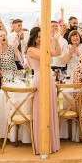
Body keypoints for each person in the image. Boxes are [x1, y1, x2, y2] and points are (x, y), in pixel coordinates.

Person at [26, 27, 61, 155]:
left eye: (42, 37)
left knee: (50, 108)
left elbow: (57, 52)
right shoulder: (31, 49)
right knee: (41, 109)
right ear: (34, 37)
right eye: (38, 37)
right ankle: (41, 143)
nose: (40, 39)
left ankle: (52, 143)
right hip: (40, 78)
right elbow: (45, 57)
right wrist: (48, 43)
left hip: (49, 78)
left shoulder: (44, 47)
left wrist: (56, 40)